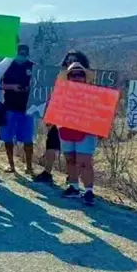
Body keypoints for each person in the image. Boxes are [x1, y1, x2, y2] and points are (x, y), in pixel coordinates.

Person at [34, 50, 91, 184]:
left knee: (73, 152)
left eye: (74, 60)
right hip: (60, 118)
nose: (70, 62)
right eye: (68, 60)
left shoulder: (86, 79)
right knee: (51, 144)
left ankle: (72, 178)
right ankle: (47, 172)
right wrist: (49, 116)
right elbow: (53, 97)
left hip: (79, 121)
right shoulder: (59, 77)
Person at [56, 63, 98, 206]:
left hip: (86, 131)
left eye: (80, 74)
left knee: (84, 162)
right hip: (66, 128)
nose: (77, 77)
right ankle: (74, 186)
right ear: (68, 77)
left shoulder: (94, 92)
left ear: (85, 77)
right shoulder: (61, 92)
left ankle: (88, 191)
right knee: (70, 159)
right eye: (73, 74)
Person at [0, 44, 36, 174]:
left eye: (25, 54)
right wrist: (12, 87)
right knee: (8, 138)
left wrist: (28, 89)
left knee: (28, 139)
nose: (22, 56)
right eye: (20, 53)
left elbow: (40, 86)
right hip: (9, 106)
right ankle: (11, 165)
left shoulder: (33, 66)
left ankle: (29, 167)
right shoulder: (7, 65)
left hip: (28, 109)